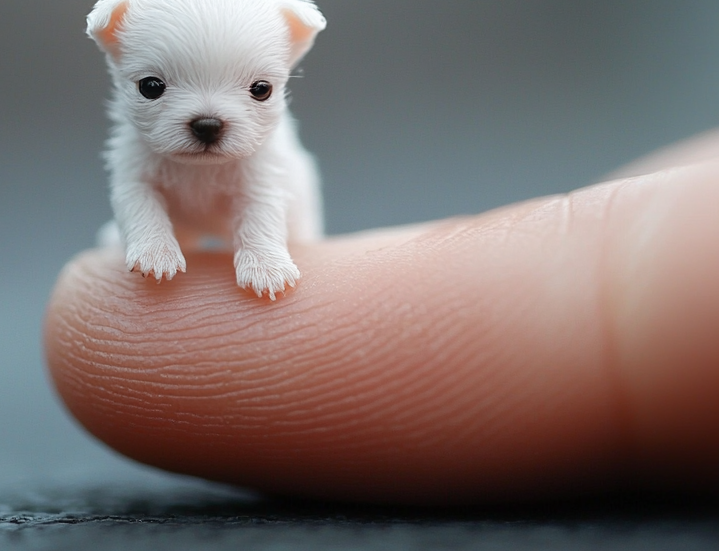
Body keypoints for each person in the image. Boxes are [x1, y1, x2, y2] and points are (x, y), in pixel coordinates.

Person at [44, 131, 719, 503]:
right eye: (156, 88)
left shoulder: (268, 160)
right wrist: (153, 239)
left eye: (255, 92)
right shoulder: (138, 160)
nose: (207, 120)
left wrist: (267, 248)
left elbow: (267, 196)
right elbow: (136, 191)